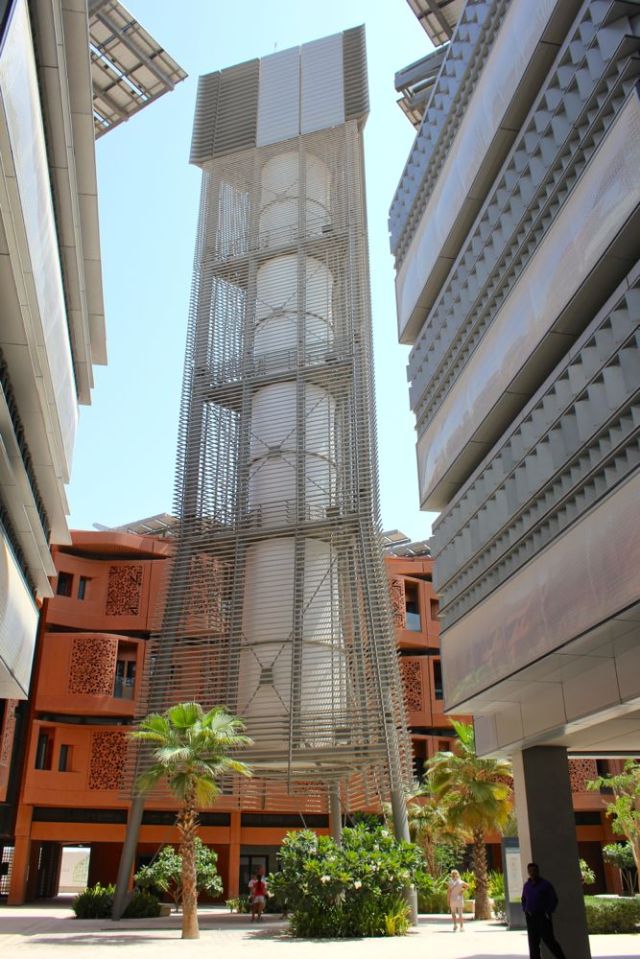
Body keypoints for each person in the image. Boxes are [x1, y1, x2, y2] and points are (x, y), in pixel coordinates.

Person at [521, 862, 567, 959]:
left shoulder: (545, 885)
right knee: (533, 943)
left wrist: (548, 912)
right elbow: (524, 899)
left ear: (538, 871)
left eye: (534, 870)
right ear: (528, 872)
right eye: (530, 871)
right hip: (530, 917)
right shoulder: (527, 885)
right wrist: (525, 909)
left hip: (542, 917)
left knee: (549, 941)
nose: (532, 873)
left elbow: (554, 899)